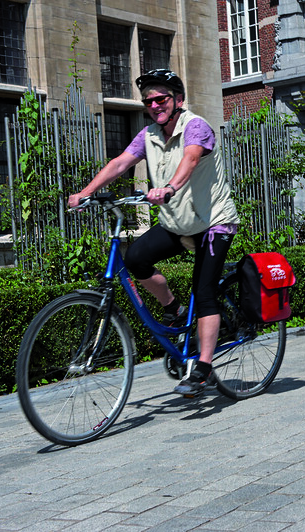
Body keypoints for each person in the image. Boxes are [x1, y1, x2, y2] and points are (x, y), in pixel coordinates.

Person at [68, 69, 240, 395]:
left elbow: (189, 159)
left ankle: (202, 368)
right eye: (149, 101)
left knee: (203, 293)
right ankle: (174, 311)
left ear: (177, 100)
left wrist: (170, 187)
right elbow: (121, 163)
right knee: (135, 258)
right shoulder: (149, 134)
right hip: (178, 223)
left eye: (161, 98)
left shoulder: (196, 126)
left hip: (214, 223)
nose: (154, 104)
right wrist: (86, 193)